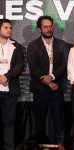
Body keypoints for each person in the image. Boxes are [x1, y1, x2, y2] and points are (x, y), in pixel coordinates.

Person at [27, 16, 68, 145]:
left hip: (57, 88)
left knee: (59, 122)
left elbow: (65, 65)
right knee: (39, 122)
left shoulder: (62, 44)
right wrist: (49, 81)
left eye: (50, 26)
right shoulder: (33, 45)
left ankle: (59, 146)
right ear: (39, 29)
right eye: (45, 27)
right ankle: (38, 146)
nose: (49, 29)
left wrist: (53, 77)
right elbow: (33, 68)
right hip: (40, 89)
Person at [0, 19, 24, 150]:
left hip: (10, 92)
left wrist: (6, 76)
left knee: (9, 123)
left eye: (10, 28)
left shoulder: (17, 46)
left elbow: (19, 65)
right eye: (6, 28)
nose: (9, 30)